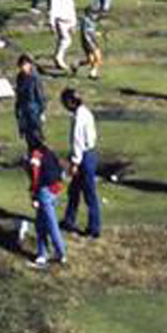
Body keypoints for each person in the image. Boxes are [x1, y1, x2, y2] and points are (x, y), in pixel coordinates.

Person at [59, 89, 101, 238]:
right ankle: (69, 220)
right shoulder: (86, 113)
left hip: (84, 157)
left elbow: (78, 142)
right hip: (90, 153)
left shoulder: (79, 117)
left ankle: (94, 228)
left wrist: (75, 163)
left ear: (71, 102)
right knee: (74, 191)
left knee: (89, 193)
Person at [25, 131, 68, 267]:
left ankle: (60, 252)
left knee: (50, 223)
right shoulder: (49, 152)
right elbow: (60, 171)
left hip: (44, 191)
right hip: (54, 189)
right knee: (40, 224)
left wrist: (34, 195)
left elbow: (35, 177)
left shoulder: (35, 156)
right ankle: (42, 254)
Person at [14, 55, 46, 140]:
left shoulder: (35, 78)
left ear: (30, 65)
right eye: (21, 65)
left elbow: (40, 94)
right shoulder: (20, 77)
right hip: (24, 108)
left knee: (36, 132)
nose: (23, 67)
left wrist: (42, 110)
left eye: (25, 65)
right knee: (26, 133)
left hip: (34, 108)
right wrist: (17, 109)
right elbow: (18, 94)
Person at [48, 0, 77, 72]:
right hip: (60, 22)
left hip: (68, 22)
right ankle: (58, 58)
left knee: (63, 41)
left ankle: (57, 57)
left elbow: (72, 13)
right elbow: (52, 12)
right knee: (66, 40)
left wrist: (73, 24)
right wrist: (52, 24)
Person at [76, 0, 103, 79]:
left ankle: (76, 64)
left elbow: (91, 31)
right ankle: (92, 74)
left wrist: (97, 34)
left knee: (90, 60)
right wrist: (92, 38)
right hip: (89, 41)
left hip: (88, 41)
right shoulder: (86, 20)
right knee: (98, 58)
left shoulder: (90, 20)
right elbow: (86, 32)